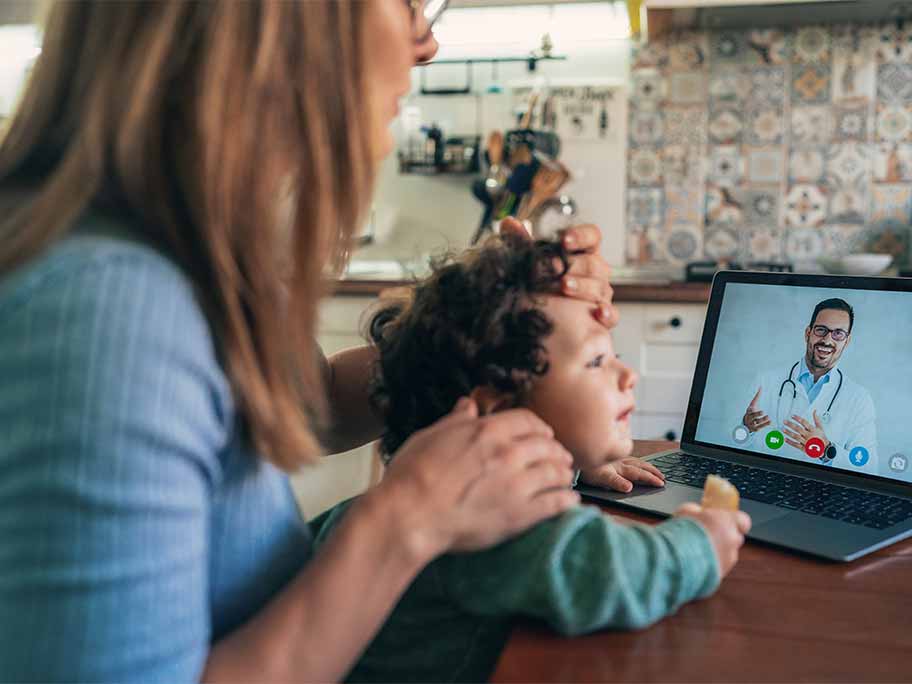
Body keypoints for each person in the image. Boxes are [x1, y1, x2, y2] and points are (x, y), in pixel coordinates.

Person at [0, 2, 623, 681]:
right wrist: (404, 523)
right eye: (409, 6)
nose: (427, 43)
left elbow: (308, 404)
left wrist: (483, 336)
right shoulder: (108, 309)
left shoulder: (180, 253)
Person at [310, 235, 752, 683]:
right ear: (497, 410)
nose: (627, 373)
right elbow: (617, 573)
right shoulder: (491, 520)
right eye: (597, 361)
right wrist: (702, 542)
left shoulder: (423, 494)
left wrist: (571, 459)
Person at [736, 298, 878, 471]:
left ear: (846, 342)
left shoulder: (859, 399)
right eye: (821, 330)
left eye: (838, 333)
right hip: (766, 476)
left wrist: (827, 450)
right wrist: (746, 427)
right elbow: (730, 447)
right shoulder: (766, 381)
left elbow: (869, 468)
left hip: (824, 490)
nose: (827, 340)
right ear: (808, 333)